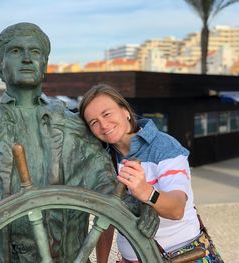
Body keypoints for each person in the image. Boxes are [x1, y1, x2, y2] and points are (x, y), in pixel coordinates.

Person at [0, 23, 157, 262]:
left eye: (35, 52)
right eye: (16, 51)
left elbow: (103, 183)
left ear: (44, 64)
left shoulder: (74, 127)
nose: (27, 58)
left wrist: (137, 208)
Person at [79, 84, 224, 263]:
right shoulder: (105, 159)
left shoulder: (164, 147)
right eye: (94, 122)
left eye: (107, 114)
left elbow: (177, 209)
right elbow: (105, 220)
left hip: (183, 256)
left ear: (125, 111)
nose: (103, 124)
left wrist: (147, 192)